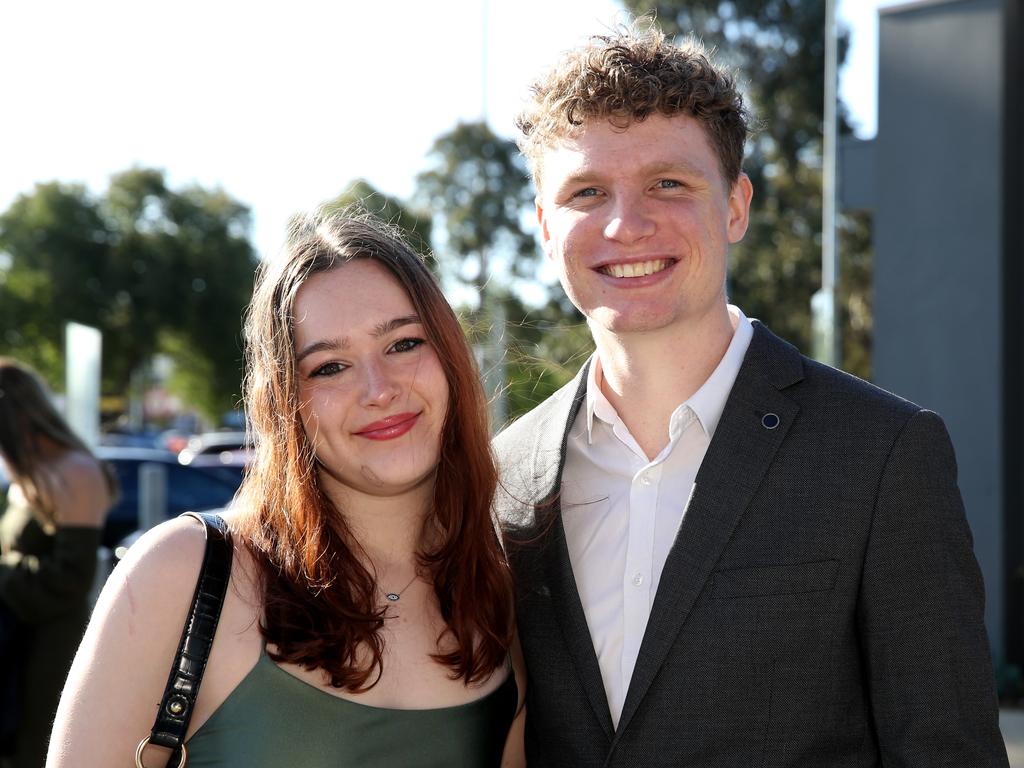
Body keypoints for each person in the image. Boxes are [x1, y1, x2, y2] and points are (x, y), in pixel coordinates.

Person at [493, 21, 1009, 767]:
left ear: (735, 207)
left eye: (669, 183)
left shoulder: (882, 457)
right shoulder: (502, 478)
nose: (625, 223)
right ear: (545, 226)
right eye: (586, 191)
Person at [49, 212, 525, 768]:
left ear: (450, 357)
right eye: (329, 367)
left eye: (403, 343)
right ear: (282, 403)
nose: (378, 390)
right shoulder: (182, 573)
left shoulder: (502, 590)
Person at [0, 359, 115, 768]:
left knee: (38, 751)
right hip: (19, 637)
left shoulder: (74, 472)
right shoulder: (36, 473)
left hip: (49, 649)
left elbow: (70, 579)